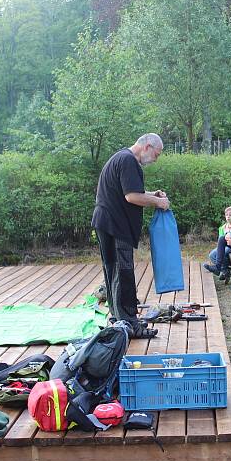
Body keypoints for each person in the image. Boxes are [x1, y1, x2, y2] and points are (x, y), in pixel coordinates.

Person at [92, 133, 169, 339]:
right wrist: (158, 203)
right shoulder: (128, 160)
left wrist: (152, 195)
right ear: (147, 146)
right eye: (157, 154)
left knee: (114, 271)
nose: (156, 159)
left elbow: (130, 191)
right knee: (123, 271)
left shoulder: (122, 157)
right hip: (115, 225)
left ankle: (119, 318)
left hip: (107, 222)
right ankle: (130, 323)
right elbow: (132, 196)